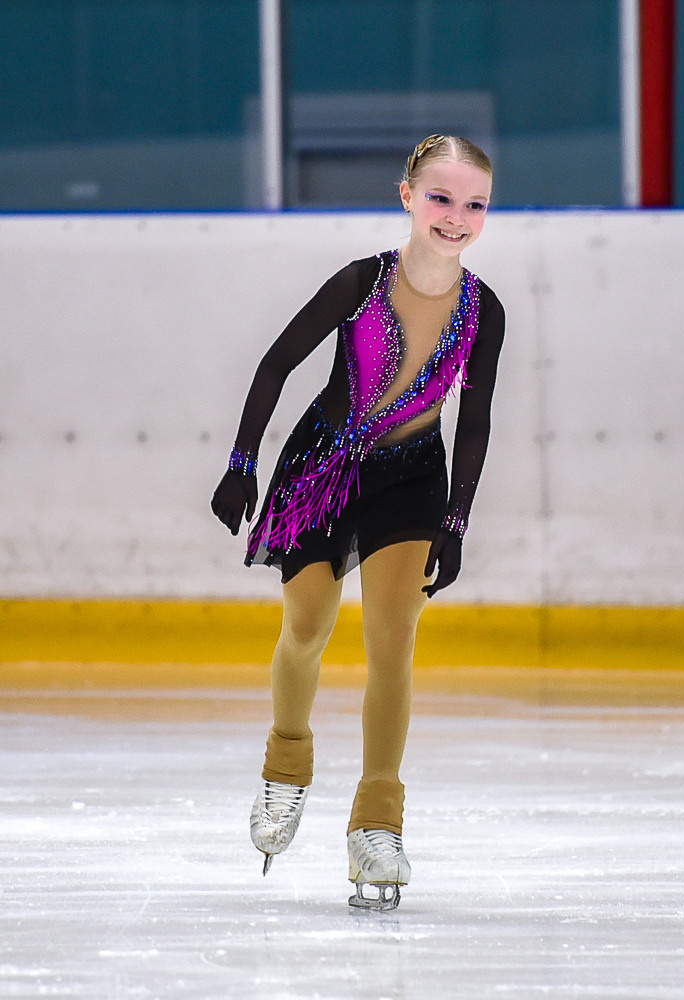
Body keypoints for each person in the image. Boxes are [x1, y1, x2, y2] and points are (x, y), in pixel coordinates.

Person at [211, 134, 505, 910]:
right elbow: (276, 364)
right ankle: (287, 761)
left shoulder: (484, 310)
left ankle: (377, 822)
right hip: (319, 470)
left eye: (474, 203)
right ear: (407, 196)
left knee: (392, 645)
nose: (456, 217)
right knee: (306, 629)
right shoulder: (361, 280)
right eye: (441, 198)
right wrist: (243, 463)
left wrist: (457, 518)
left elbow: (473, 420)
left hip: (410, 480)